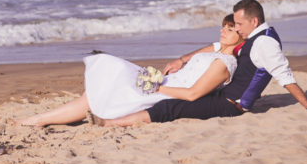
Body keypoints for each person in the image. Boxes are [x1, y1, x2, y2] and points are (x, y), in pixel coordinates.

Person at [99, 0, 307, 126]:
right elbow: (219, 46)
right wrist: (183, 59)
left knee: (171, 107)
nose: (236, 29)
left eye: (239, 24)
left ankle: (109, 124)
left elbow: (284, 76)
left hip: (232, 105)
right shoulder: (253, 36)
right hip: (225, 94)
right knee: (175, 97)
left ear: (254, 20)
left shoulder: (265, 43)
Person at [17, 15, 243, 126]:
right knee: (109, 74)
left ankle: (39, 119)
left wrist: (159, 88)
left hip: (166, 91)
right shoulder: (216, 49)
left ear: (241, 35)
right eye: (223, 26)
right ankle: (42, 118)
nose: (223, 31)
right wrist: (179, 61)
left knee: (103, 89)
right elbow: (196, 55)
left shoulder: (225, 63)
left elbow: (192, 94)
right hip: (164, 82)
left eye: (230, 29)